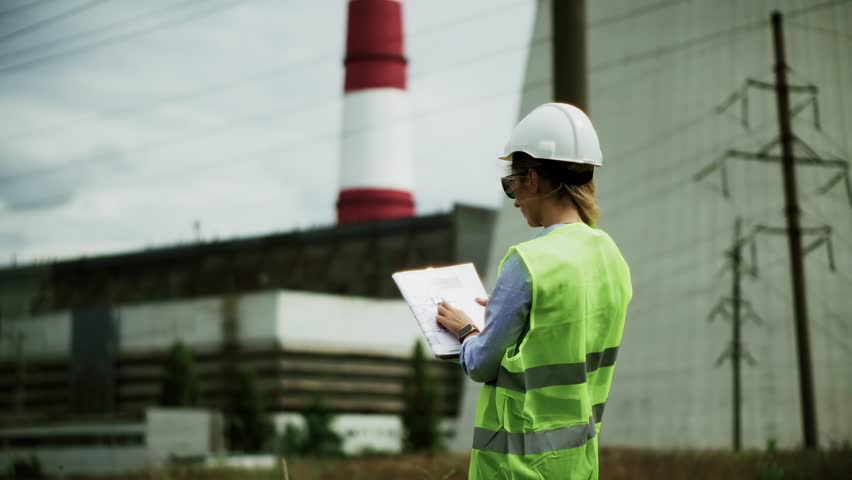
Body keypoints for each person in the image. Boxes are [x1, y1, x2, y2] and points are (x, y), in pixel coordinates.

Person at [436, 103, 632, 479]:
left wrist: (466, 331)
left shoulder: (527, 263)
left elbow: (480, 363)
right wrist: (513, 315)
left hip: (518, 468)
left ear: (535, 180)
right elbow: (565, 332)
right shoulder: (611, 258)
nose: (514, 199)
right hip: (578, 465)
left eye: (513, 184)